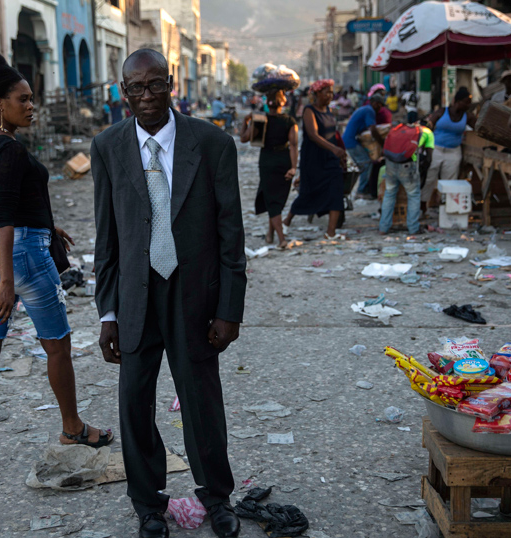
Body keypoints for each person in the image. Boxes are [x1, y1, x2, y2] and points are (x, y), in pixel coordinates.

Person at [0, 53, 113, 479]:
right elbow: (8, 215)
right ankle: (72, 428)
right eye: (23, 99)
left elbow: (6, 202)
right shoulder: (11, 150)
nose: (32, 106)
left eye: (33, 99)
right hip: (19, 255)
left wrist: (50, 226)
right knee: (57, 346)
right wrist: (8, 283)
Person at [91, 49, 246, 538]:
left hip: (193, 296)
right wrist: (107, 312)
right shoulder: (108, 147)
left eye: (155, 84)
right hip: (135, 298)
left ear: (171, 84)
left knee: (201, 400)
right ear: (122, 93)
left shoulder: (213, 143)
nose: (146, 96)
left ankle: (217, 499)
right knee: (135, 403)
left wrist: (229, 308)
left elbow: (231, 233)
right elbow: (106, 238)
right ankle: (148, 505)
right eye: (135, 88)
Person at [282, 79, 347, 239]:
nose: (330, 95)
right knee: (308, 192)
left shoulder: (330, 112)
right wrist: (334, 149)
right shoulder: (309, 110)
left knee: (336, 191)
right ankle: (286, 221)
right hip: (314, 159)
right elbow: (313, 134)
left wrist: (340, 153)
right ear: (317, 93)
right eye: (327, 92)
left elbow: (333, 135)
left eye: (331, 92)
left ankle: (330, 233)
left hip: (330, 158)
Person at [241, 89, 298, 249]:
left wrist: (246, 121)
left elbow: (244, 138)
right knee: (277, 199)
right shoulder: (290, 121)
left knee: (272, 199)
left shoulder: (260, 119)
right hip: (284, 160)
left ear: (267, 103)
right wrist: (293, 167)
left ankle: (275, 236)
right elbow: (293, 145)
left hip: (267, 161)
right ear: (283, 102)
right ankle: (280, 238)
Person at [379, 120, 431, 236]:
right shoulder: (427, 133)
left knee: (389, 194)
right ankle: (413, 229)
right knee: (413, 196)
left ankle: (383, 228)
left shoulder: (399, 129)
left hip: (391, 164)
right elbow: (429, 158)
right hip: (408, 166)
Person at [343, 93, 386, 199]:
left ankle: (363, 188)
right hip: (351, 141)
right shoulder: (369, 111)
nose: (380, 108)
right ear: (375, 103)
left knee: (364, 164)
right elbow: (373, 130)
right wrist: (383, 144)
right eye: (380, 105)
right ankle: (361, 191)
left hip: (350, 140)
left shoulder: (365, 109)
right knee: (366, 163)